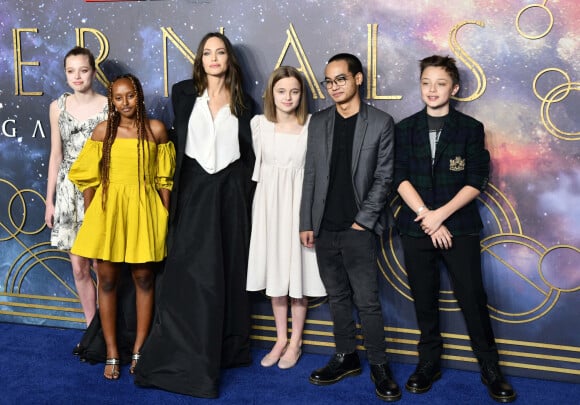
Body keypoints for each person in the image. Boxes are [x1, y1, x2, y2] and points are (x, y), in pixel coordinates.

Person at [134, 32, 255, 398]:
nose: (214, 58)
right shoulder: (183, 93)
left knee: (229, 270)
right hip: (195, 192)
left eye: (220, 52)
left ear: (229, 59)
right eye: (207, 53)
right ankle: (181, 352)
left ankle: (227, 349)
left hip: (231, 195)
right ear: (200, 59)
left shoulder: (245, 102)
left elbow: (249, 153)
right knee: (190, 275)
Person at [394, 55, 516, 403]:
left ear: (455, 88)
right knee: (424, 299)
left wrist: (440, 216)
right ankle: (428, 362)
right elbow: (398, 177)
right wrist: (426, 217)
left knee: (473, 298)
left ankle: (491, 368)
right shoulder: (405, 128)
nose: (432, 90)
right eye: (426, 83)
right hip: (416, 228)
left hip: (458, 227)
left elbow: (476, 179)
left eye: (441, 83)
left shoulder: (470, 128)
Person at [299, 53, 401, 402]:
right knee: (337, 297)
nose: (333, 87)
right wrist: (307, 222)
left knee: (368, 302)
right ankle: (346, 356)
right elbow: (310, 173)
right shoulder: (318, 122)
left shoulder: (381, 122)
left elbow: (385, 177)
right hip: (324, 227)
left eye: (340, 79)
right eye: (328, 81)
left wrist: (363, 221)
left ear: (358, 78)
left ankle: (379, 364)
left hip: (359, 227)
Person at [69, 73, 175, 380]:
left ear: (139, 96)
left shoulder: (156, 130)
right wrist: (92, 217)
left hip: (145, 212)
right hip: (108, 213)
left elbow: (164, 181)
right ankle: (113, 350)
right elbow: (89, 179)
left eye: (130, 96)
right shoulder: (103, 131)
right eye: (118, 97)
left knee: (143, 277)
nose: (124, 102)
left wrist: (164, 217)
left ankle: (140, 348)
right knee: (108, 280)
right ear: (112, 101)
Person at [246, 66, 326, 369]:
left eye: (294, 91)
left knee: (297, 273)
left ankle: (296, 342)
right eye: (281, 91)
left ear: (301, 94)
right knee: (275, 274)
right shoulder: (259, 125)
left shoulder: (312, 127)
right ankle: (280, 339)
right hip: (268, 206)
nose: (288, 97)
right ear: (271, 94)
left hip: (298, 207)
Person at [44, 46, 108, 354]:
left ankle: (108, 332)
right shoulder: (58, 106)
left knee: (101, 266)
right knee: (79, 267)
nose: (77, 77)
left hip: (98, 190)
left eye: (83, 70)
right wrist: (49, 201)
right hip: (68, 192)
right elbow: (55, 155)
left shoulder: (110, 106)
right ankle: (90, 329)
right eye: (71, 71)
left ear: (93, 71)